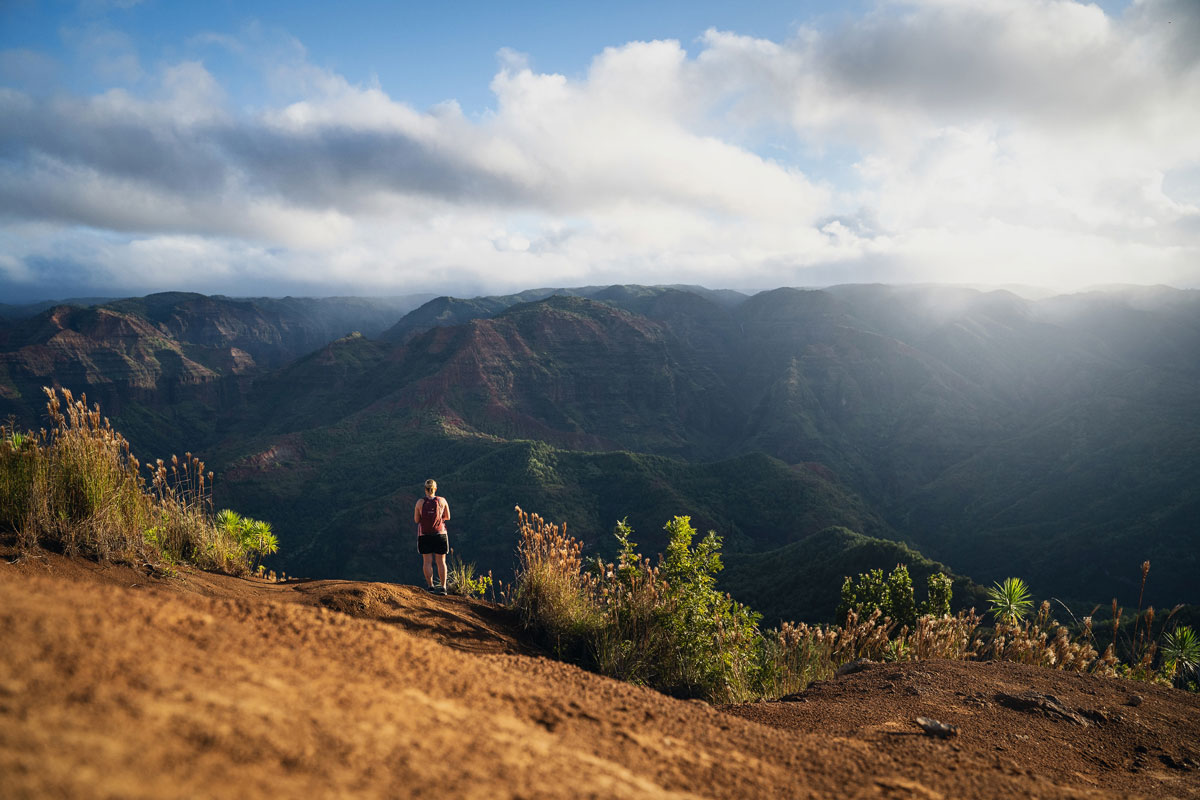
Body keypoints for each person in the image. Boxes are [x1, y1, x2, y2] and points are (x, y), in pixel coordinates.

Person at [414, 478, 450, 594]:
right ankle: (443, 587)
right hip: (440, 534)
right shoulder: (442, 501)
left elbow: (416, 520)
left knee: (427, 561)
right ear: (435, 489)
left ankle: (430, 587)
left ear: (425, 489)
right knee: (441, 561)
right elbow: (448, 517)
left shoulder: (420, 503)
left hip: (424, 535)